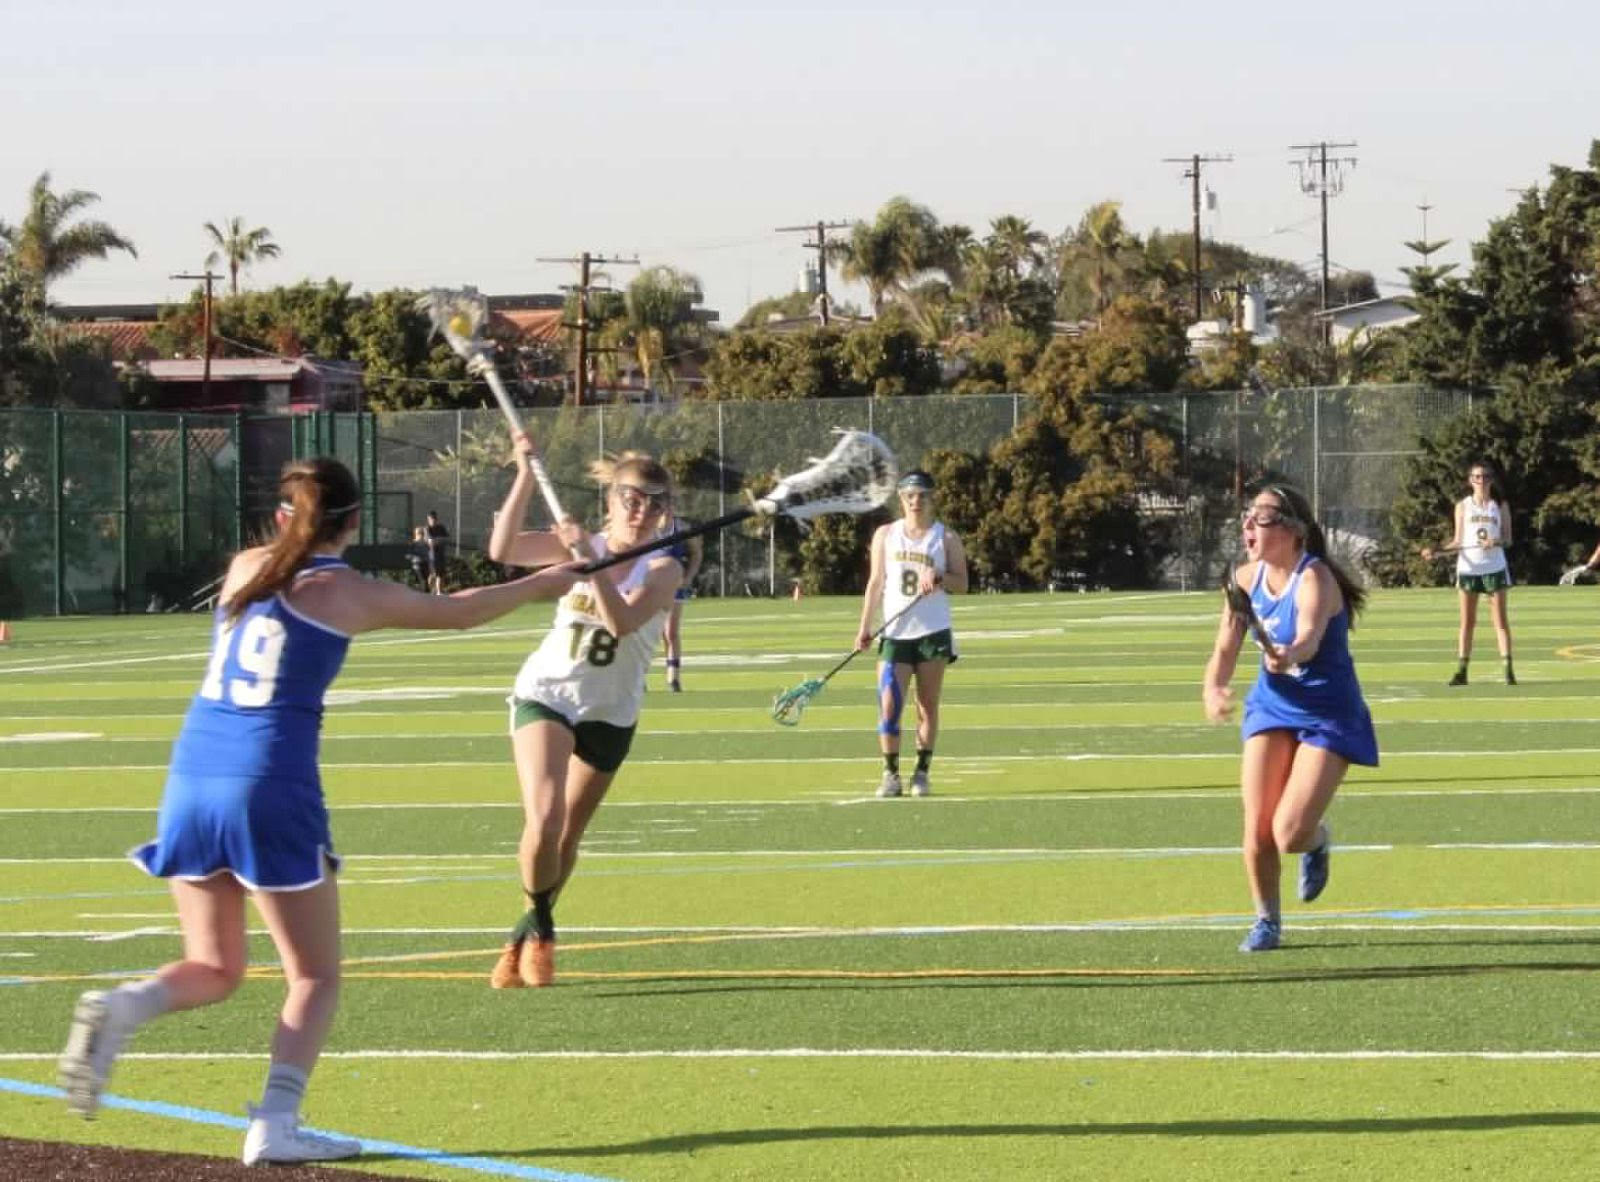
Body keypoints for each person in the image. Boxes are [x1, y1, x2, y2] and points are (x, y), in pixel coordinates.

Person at [56, 458, 580, 1164]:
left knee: (214, 965)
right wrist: (548, 581)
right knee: (314, 976)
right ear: (355, 522)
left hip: (191, 776)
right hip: (269, 783)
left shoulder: (246, 567)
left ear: (283, 516)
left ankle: (123, 1006)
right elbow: (459, 612)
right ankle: (276, 1124)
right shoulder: (348, 592)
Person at [486, 431, 682, 988]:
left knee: (568, 836)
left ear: (666, 513)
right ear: (611, 500)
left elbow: (621, 623)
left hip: (611, 711)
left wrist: (590, 564)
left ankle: (524, 931)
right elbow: (502, 549)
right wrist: (524, 475)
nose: (641, 511)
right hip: (547, 694)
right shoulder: (581, 544)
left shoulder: (664, 569)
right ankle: (542, 926)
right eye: (631, 498)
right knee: (544, 818)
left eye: (654, 503)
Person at [1202, 483, 1377, 953]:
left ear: (1292, 530)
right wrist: (1213, 688)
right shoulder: (1243, 580)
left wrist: (1289, 654)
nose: (1247, 525)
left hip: (1328, 712)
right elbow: (1224, 649)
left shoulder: (1315, 578)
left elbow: (1309, 638)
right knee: (1257, 826)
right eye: (1247, 515)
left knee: (1289, 833)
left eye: (1260, 517)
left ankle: (1316, 842)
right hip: (1273, 706)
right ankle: (1266, 920)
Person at [855, 469, 969, 798]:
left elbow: (962, 583)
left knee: (926, 705)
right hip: (895, 633)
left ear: (932, 499)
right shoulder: (886, 535)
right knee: (889, 704)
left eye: (922, 495)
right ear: (901, 499)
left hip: (932, 632)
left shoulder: (946, 538)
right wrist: (864, 627)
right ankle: (890, 774)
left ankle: (921, 773)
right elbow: (876, 582)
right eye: (910, 496)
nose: (916, 501)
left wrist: (939, 576)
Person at [1421, 460, 1514, 686]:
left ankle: (1508, 670)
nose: (1481, 481)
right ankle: (1462, 671)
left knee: (1500, 621)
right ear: (1470, 480)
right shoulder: (1463, 506)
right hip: (1469, 569)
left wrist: (1495, 542)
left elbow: (1508, 539)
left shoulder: (1499, 505)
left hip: (1494, 568)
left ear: (1491, 480)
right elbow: (1457, 541)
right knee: (1467, 622)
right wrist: (1436, 551)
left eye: (1485, 476)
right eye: (1477, 477)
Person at [660, 511, 703, 691]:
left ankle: (673, 679)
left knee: (671, 632)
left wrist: (688, 577)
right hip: (648, 587)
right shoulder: (648, 527)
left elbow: (696, 553)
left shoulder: (682, 528)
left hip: (674, 586)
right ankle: (639, 678)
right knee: (645, 633)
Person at [423, 510, 450, 595]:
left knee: (441, 574)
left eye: (434, 518)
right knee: (433, 574)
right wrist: (439, 540)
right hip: (432, 555)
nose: (433, 520)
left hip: (441, 554)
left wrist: (438, 540)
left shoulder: (441, 528)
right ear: (428, 519)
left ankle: (439, 591)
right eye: (431, 519)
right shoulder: (427, 529)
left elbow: (447, 539)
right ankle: (430, 591)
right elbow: (431, 542)